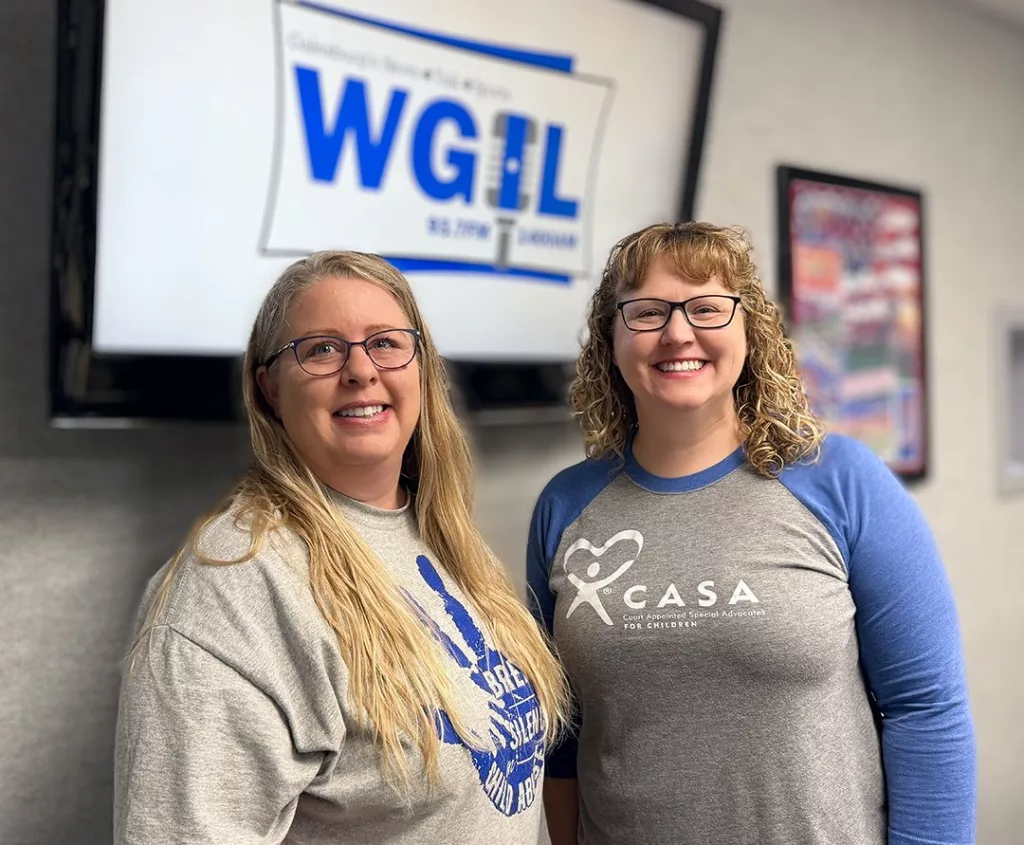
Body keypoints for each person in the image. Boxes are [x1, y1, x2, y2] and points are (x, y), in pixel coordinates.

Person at [527, 222, 976, 845]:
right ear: (611, 337)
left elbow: (926, 708)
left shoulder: (841, 481)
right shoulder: (565, 506)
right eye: (648, 312)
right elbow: (560, 734)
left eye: (707, 308)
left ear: (749, 329)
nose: (677, 333)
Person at [114, 251, 570, 844]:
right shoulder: (231, 588)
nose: (361, 371)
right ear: (270, 388)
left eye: (385, 343)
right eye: (323, 349)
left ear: (421, 368)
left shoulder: (441, 535)